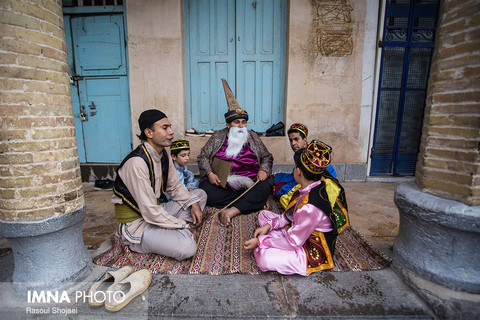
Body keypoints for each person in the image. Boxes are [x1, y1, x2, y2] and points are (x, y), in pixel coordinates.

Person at [112, 109, 207, 261]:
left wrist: (194, 204)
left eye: (170, 127)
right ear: (149, 133)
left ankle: (172, 233)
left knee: (200, 195)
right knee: (187, 247)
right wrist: (183, 225)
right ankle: (171, 235)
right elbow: (150, 211)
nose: (171, 132)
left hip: (157, 211)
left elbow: (175, 188)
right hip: (139, 224)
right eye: (165, 128)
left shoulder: (163, 155)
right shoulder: (136, 163)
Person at [244, 140, 349, 276]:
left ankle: (270, 242)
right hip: (299, 230)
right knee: (263, 215)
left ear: (298, 171)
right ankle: (272, 237)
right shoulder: (313, 186)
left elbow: (293, 242)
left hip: (310, 247)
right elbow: (289, 215)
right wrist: (268, 227)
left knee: (264, 258)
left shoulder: (310, 208)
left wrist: (261, 241)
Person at [198, 79, 273, 226]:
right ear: (228, 124)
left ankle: (232, 210)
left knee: (265, 187)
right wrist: (209, 174)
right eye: (236, 122)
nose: (240, 126)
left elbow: (267, 157)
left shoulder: (252, 136)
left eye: (243, 122)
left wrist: (264, 170)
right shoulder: (218, 136)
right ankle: (250, 203)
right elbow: (203, 157)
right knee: (205, 189)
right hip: (223, 186)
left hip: (250, 184)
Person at [274, 123, 337, 208]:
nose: (293, 143)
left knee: (286, 196)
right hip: (306, 180)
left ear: (305, 140)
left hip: (320, 183)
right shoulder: (297, 154)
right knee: (278, 179)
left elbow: (309, 180)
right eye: (291, 140)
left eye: (296, 139)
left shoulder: (312, 155)